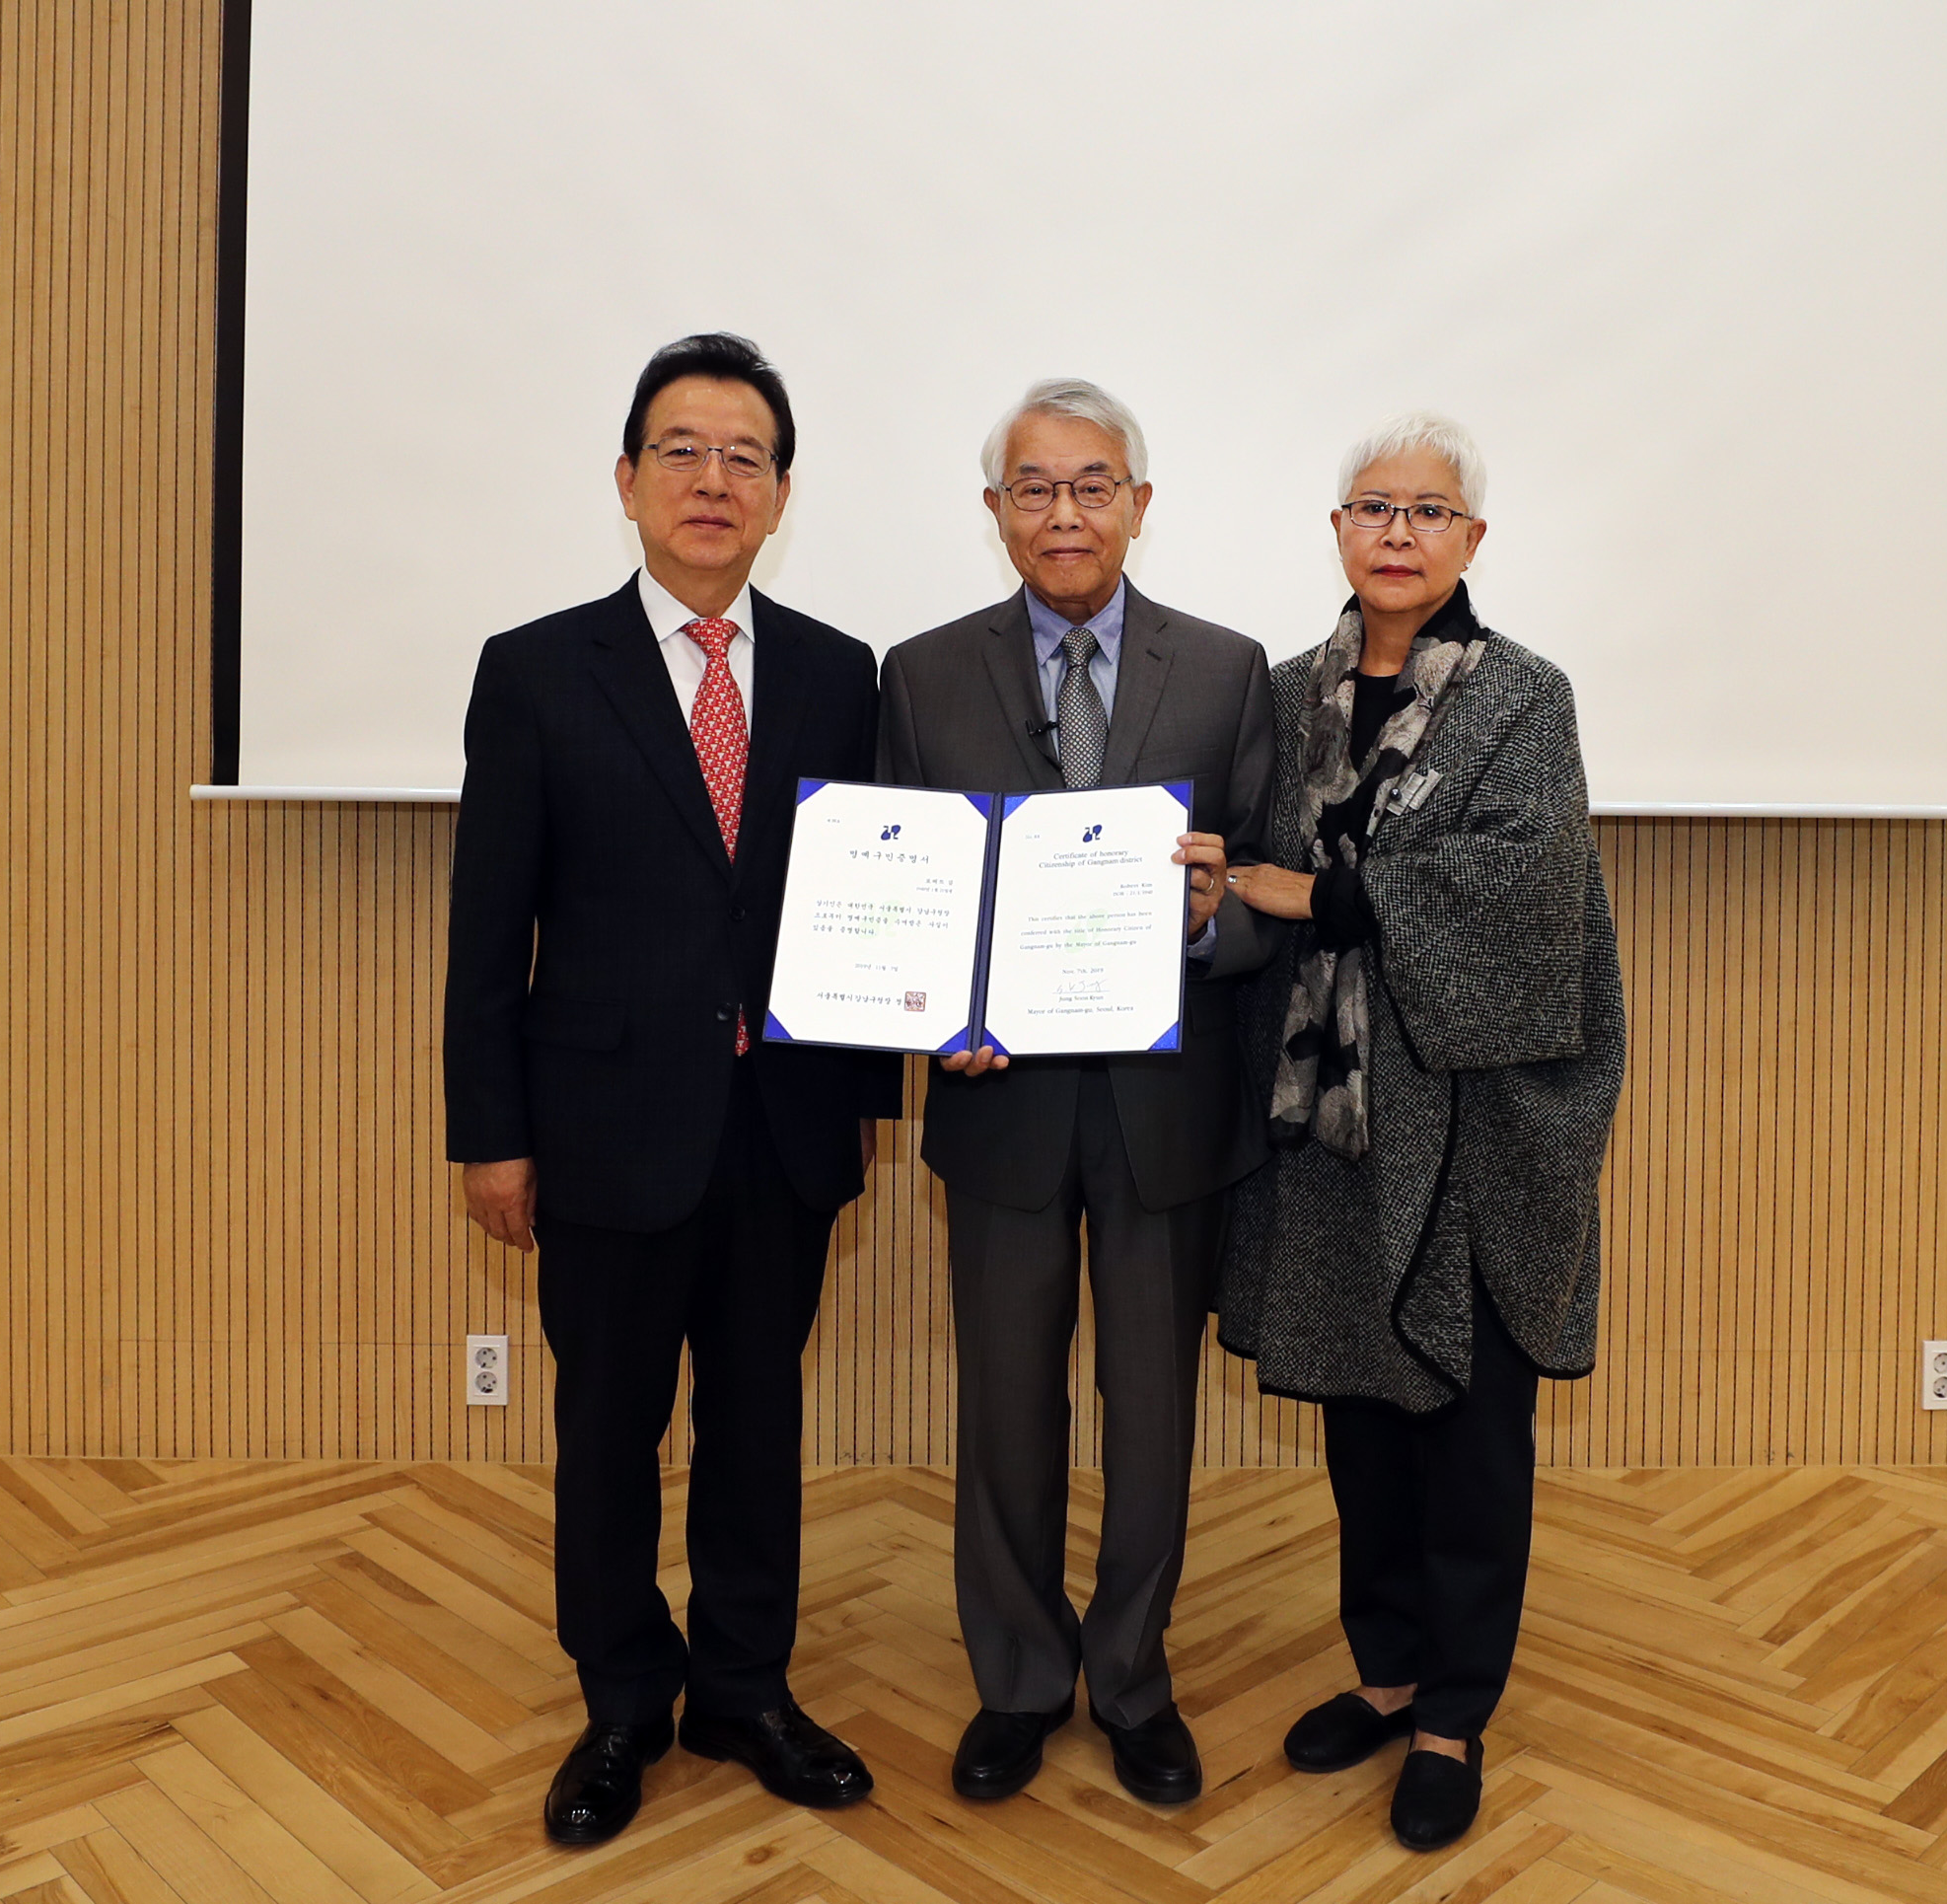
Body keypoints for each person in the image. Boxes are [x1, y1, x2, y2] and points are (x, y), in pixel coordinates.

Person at [443, 333, 901, 1846]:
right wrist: (491, 1137)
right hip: (601, 1139)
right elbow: (485, 927)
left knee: (758, 1423)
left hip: (779, 1135)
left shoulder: (844, 675)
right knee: (610, 1432)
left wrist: (884, 1084)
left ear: (781, 493)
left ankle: (746, 1686)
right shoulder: (533, 671)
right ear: (629, 478)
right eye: (685, 451)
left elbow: (874, 905)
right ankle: (624, 1700)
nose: (715, 481)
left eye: (746, 456)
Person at [1218, 412, 1625, 1852]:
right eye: (1372, 506)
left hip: (1468, 1129)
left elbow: (1522, 904)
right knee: (1359, 1418)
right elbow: (1236, 875)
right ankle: (1386, 1673)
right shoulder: (1278, 695)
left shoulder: (1526, 696)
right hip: (1328, 1129)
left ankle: (1455, 1708)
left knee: (1465, 1429)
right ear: (1337, 530)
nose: (1397, 531)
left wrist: (1316, 896)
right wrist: (1214, 880)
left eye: (1428, 510)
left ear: (1471, 540)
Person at [878, 379, 1280, 1805]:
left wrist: (1199, 923)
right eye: (1034, 487)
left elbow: (1268, 897)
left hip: (1168, 1109)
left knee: (1153, 1410)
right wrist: (936, 1013)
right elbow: (905, 892)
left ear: (1139, 504)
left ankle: (1131, 1679)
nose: (1065, 511)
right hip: (999, 1107)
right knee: (1003, 1407)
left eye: (1092, 483)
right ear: (995, 513)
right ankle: (1020, 1682)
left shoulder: (1234, 673)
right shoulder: (918, 676)